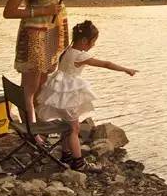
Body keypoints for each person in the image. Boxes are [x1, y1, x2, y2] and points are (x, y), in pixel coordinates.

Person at [3, 0, 93, 128]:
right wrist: (43, 11)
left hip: (53, 33)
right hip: (34, 36)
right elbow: (9, 12)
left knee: (43, 83)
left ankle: (38, 122)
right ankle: (31, 127)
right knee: (30, 86)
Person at [37, 20, 138, 171]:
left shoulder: (67, 50)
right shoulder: (79, 55)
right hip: (68, 94)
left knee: (67, 126)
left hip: (58, 91)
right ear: (84, 41)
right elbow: (105, 64)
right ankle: (79, 163)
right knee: (74, 128)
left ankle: (66, 155)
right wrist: (125, 69)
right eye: (93, 42)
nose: (93, 45)